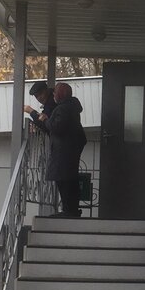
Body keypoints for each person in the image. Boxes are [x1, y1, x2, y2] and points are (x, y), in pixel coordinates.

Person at [47, 81, 87, 217]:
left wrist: (46, 120)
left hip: (63, 151)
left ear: (60, 94)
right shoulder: (73, 108)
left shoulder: (62, 109)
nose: (53, 95)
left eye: (55, 92)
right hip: (71, 150)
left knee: (63, 181)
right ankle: (72, 210)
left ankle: (68, 211)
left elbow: (57, 128)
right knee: (70, 180)